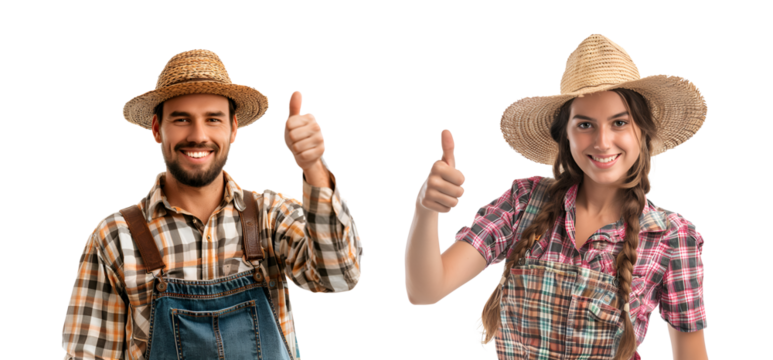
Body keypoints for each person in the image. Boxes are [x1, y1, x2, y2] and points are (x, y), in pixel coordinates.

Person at [405, 33, 708, 360]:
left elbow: (690, 356)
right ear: (565, 135)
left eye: (619, 122)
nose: (603, 142)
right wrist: (425, 211)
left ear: (643, 131)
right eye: (585, 125)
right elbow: (425, 292)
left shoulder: (672, 237)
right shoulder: (523, 203)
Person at [62, 48, 364, 360]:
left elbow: (340, 277)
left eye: (213, 119)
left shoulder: (270, 216)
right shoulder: (116, 237)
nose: (198, 135)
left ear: (233, 128)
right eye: (181, 119)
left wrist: (313, 167)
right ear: (156, 129)